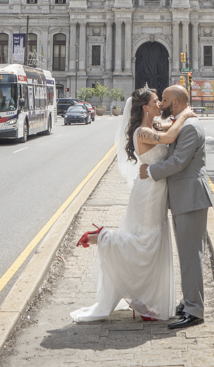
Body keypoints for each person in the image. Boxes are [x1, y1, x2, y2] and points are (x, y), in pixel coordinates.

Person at [71, 86, 195, 324]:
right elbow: (170, 138)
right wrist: (186, 115)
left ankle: (144, 301)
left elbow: (169, 130)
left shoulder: (154, 127)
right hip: (147, 192)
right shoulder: (141, 133)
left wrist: (179, 117)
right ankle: (102, 237)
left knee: (154, 244)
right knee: (145, 242)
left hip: (156, 189)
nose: (160, 104)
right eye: (157, 101)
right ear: (145, 107)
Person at [143, 84, 211, 330]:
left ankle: (195, 311)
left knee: (191, 255)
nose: (160, 103)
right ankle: (190, 301)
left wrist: (149, 171)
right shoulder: (182, 123)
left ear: (176, 103)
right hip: (184, 198)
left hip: (191, 197)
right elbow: (165, 131)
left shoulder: (191, 128)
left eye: (164, 99)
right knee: (187, 254)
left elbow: (179, 162)